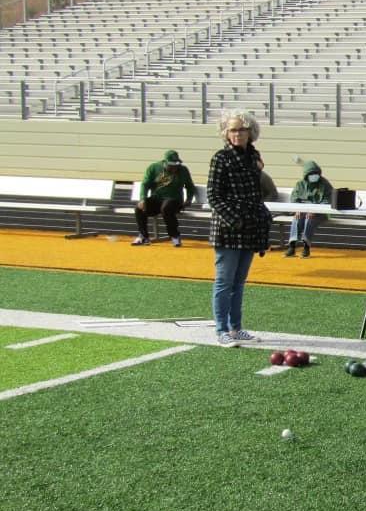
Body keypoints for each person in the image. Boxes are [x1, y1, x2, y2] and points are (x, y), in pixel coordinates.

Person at [207, 109, 272, 347]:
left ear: (250, 132)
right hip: (228, 228)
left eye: (242, 129)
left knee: (239, 283)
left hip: (250, 228)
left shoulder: (253, 157)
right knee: (224, 282)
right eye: (233, 129)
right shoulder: (220, 158)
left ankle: (236, 328)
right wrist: (236, 220)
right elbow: (214, 196)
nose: (237, 134)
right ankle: (221, 330)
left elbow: (257, 192)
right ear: (226, 133)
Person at [132, 149, 196, 247]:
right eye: (171, 165)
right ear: (165, 162)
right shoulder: (154, 168)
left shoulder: (183, 170)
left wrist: (189, 199)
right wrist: (143, 199)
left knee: (166, 207)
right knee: (139, 208)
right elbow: (145, 185)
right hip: (157, 199)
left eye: (176, 164)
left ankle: (175, 235)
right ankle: (143, 236)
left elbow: (190, 186)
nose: (174, 167)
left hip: (174, 200)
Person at [283, 161, 332, 258]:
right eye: (311, 174)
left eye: (316, 173)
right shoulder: (300, 184)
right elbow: (294, 199)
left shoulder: (325, 184)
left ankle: (306, 246)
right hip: (302, 211)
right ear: (306, 175)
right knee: (297, 217)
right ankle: (292, 246)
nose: (314, 176)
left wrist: (316, 210)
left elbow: (328, 201)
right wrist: (296, 209)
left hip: (320, 213)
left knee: (309, 219)